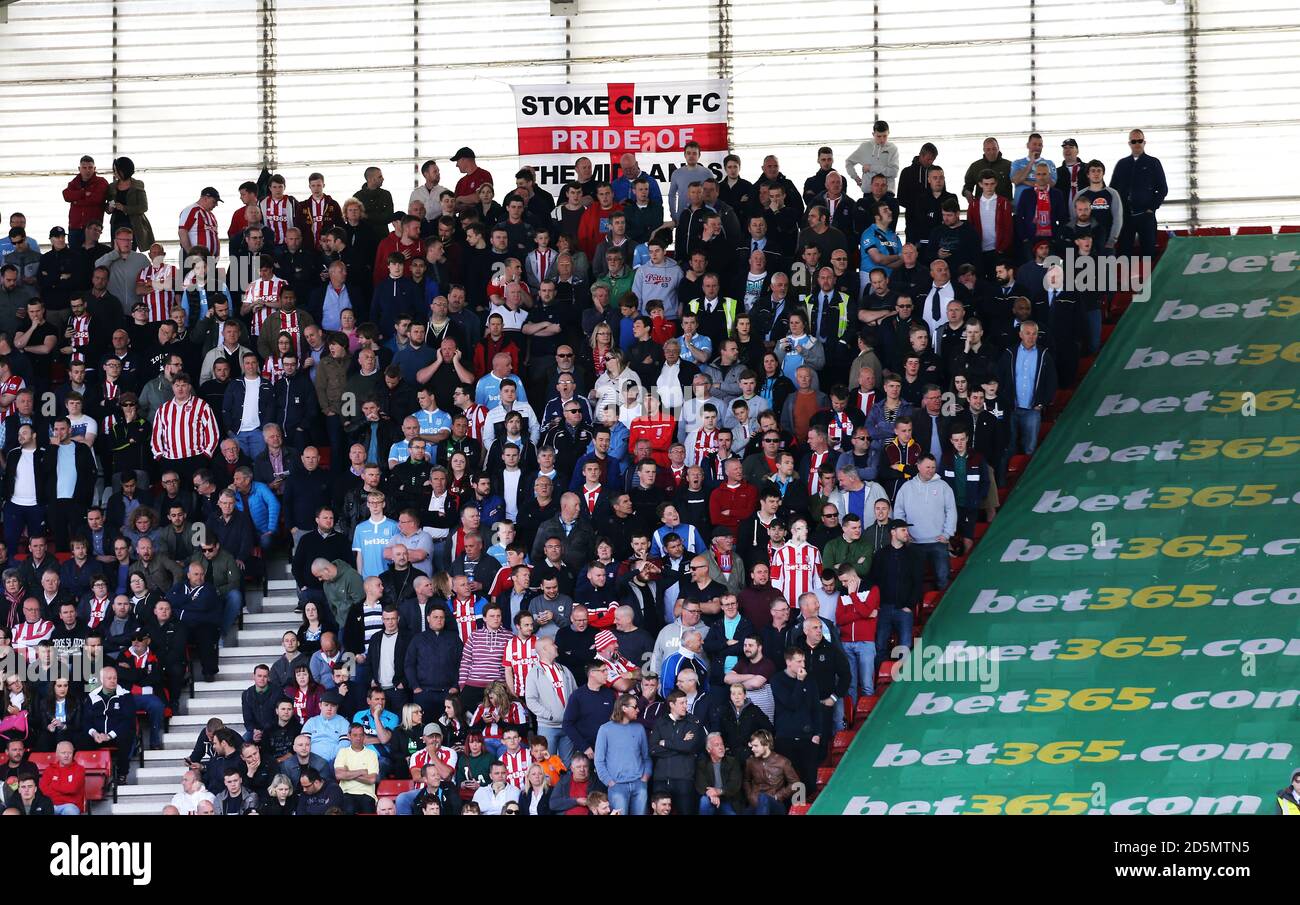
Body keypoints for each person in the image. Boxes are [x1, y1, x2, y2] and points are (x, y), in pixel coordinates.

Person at [648, 688, 705, 815]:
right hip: (661, 779)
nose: (685, 706)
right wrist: (680, 744)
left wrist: (666, 743)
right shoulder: (660, 722)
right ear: (672, 704)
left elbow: (689, 747)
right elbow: (652, 749)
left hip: (684, 779)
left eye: (686, 702)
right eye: (682, 703)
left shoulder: (693, 722)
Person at [595, 692, 652, 815]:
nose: (638, 710)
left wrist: (645, 778)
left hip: (639, 784)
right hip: (617, 786)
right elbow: (599, 760)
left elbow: (646, 757)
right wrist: (610, 782)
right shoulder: (605, 729)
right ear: (624, 708)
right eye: (635, 707)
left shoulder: (639, 728)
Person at [743, 729, 801, 814]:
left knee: (763, 797)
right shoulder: (750, 761)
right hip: (755, 802)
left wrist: (778, 796)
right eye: (752, 746)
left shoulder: (782, 762)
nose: (752, 749)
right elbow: (746, 780)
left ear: (766, 745)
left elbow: (796, 783)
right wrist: (750, 795)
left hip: (775, 804)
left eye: (756, 746)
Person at [334, 722, 380, 814]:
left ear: (364, 736)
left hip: (367, 794)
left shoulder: (371, 754)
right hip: (346, 793)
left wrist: (348, 773)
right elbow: (339, 775)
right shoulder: (343, 752)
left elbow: (371, 779)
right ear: (349, 736)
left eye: (361, 735)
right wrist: (362, 771)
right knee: (348, 808)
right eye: (355, 735)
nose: (358, 738)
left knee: (367, 806)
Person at [695, 731, 743, 815]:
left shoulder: (732, 762)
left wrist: (718, 791)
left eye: (722, 744)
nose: (721, 747)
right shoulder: (702, 764)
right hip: (711, 799)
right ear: (708, 749)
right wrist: (711, 794)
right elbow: (700, 783)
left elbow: (734, 784)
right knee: (704, 801)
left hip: (728, 800)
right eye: (717, 745)